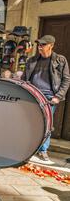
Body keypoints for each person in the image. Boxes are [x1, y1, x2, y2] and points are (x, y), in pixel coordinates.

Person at [23, 35, 70, 163]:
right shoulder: (32, 60)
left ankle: (43, 150)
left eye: (43, 44)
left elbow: (66, 80)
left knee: (46, 124)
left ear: (51, 45)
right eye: (39, 44)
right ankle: (28, 148)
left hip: (49, 97)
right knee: (29, 122)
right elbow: (24, 78)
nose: (40, 46)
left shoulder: (60, 60)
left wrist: (58, 96)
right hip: (32, 95)